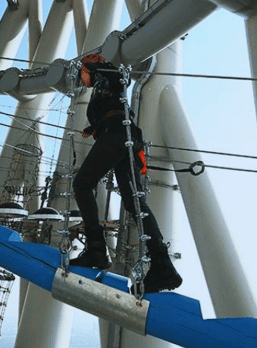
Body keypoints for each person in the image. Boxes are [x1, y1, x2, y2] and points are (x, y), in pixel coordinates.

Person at [70, 53, 182, 293]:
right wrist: (94, 127)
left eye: (82, 72)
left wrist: (95, 65)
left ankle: (96, 249)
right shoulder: (105, 86)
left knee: (82, 184)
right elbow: (116, 103)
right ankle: (163, 266)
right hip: (125, 138)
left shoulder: (107, 75)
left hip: (116, 137)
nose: (81, 77)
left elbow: (119, 79)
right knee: (134, 202)